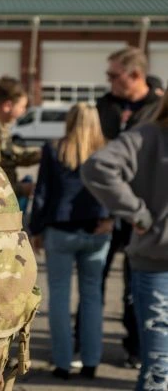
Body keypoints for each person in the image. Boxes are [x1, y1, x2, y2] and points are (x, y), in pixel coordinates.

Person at [82, 91, 168, 391]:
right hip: (157, 265)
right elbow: (97, 167)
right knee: (159, 371)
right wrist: (138, 214)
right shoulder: (149, 135)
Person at [28, 103, 110, 380]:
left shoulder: (54, 149)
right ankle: (91, 362)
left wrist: (35, 230)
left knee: (59, 296)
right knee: (92, 297)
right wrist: (113, 218)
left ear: (69, 121)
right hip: (97, 229)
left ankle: (62, 363)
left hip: (60, 230)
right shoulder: (106, 150)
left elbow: (42, 193)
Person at [96, 46, 159, 368]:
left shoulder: (157, 109)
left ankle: (137, 349)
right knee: (96, 278)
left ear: (135, 75)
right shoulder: (104, 106)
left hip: (143, 214)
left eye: (113, 75)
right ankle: (87, 343)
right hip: (109, 209)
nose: (108, 81)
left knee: (137, 285)